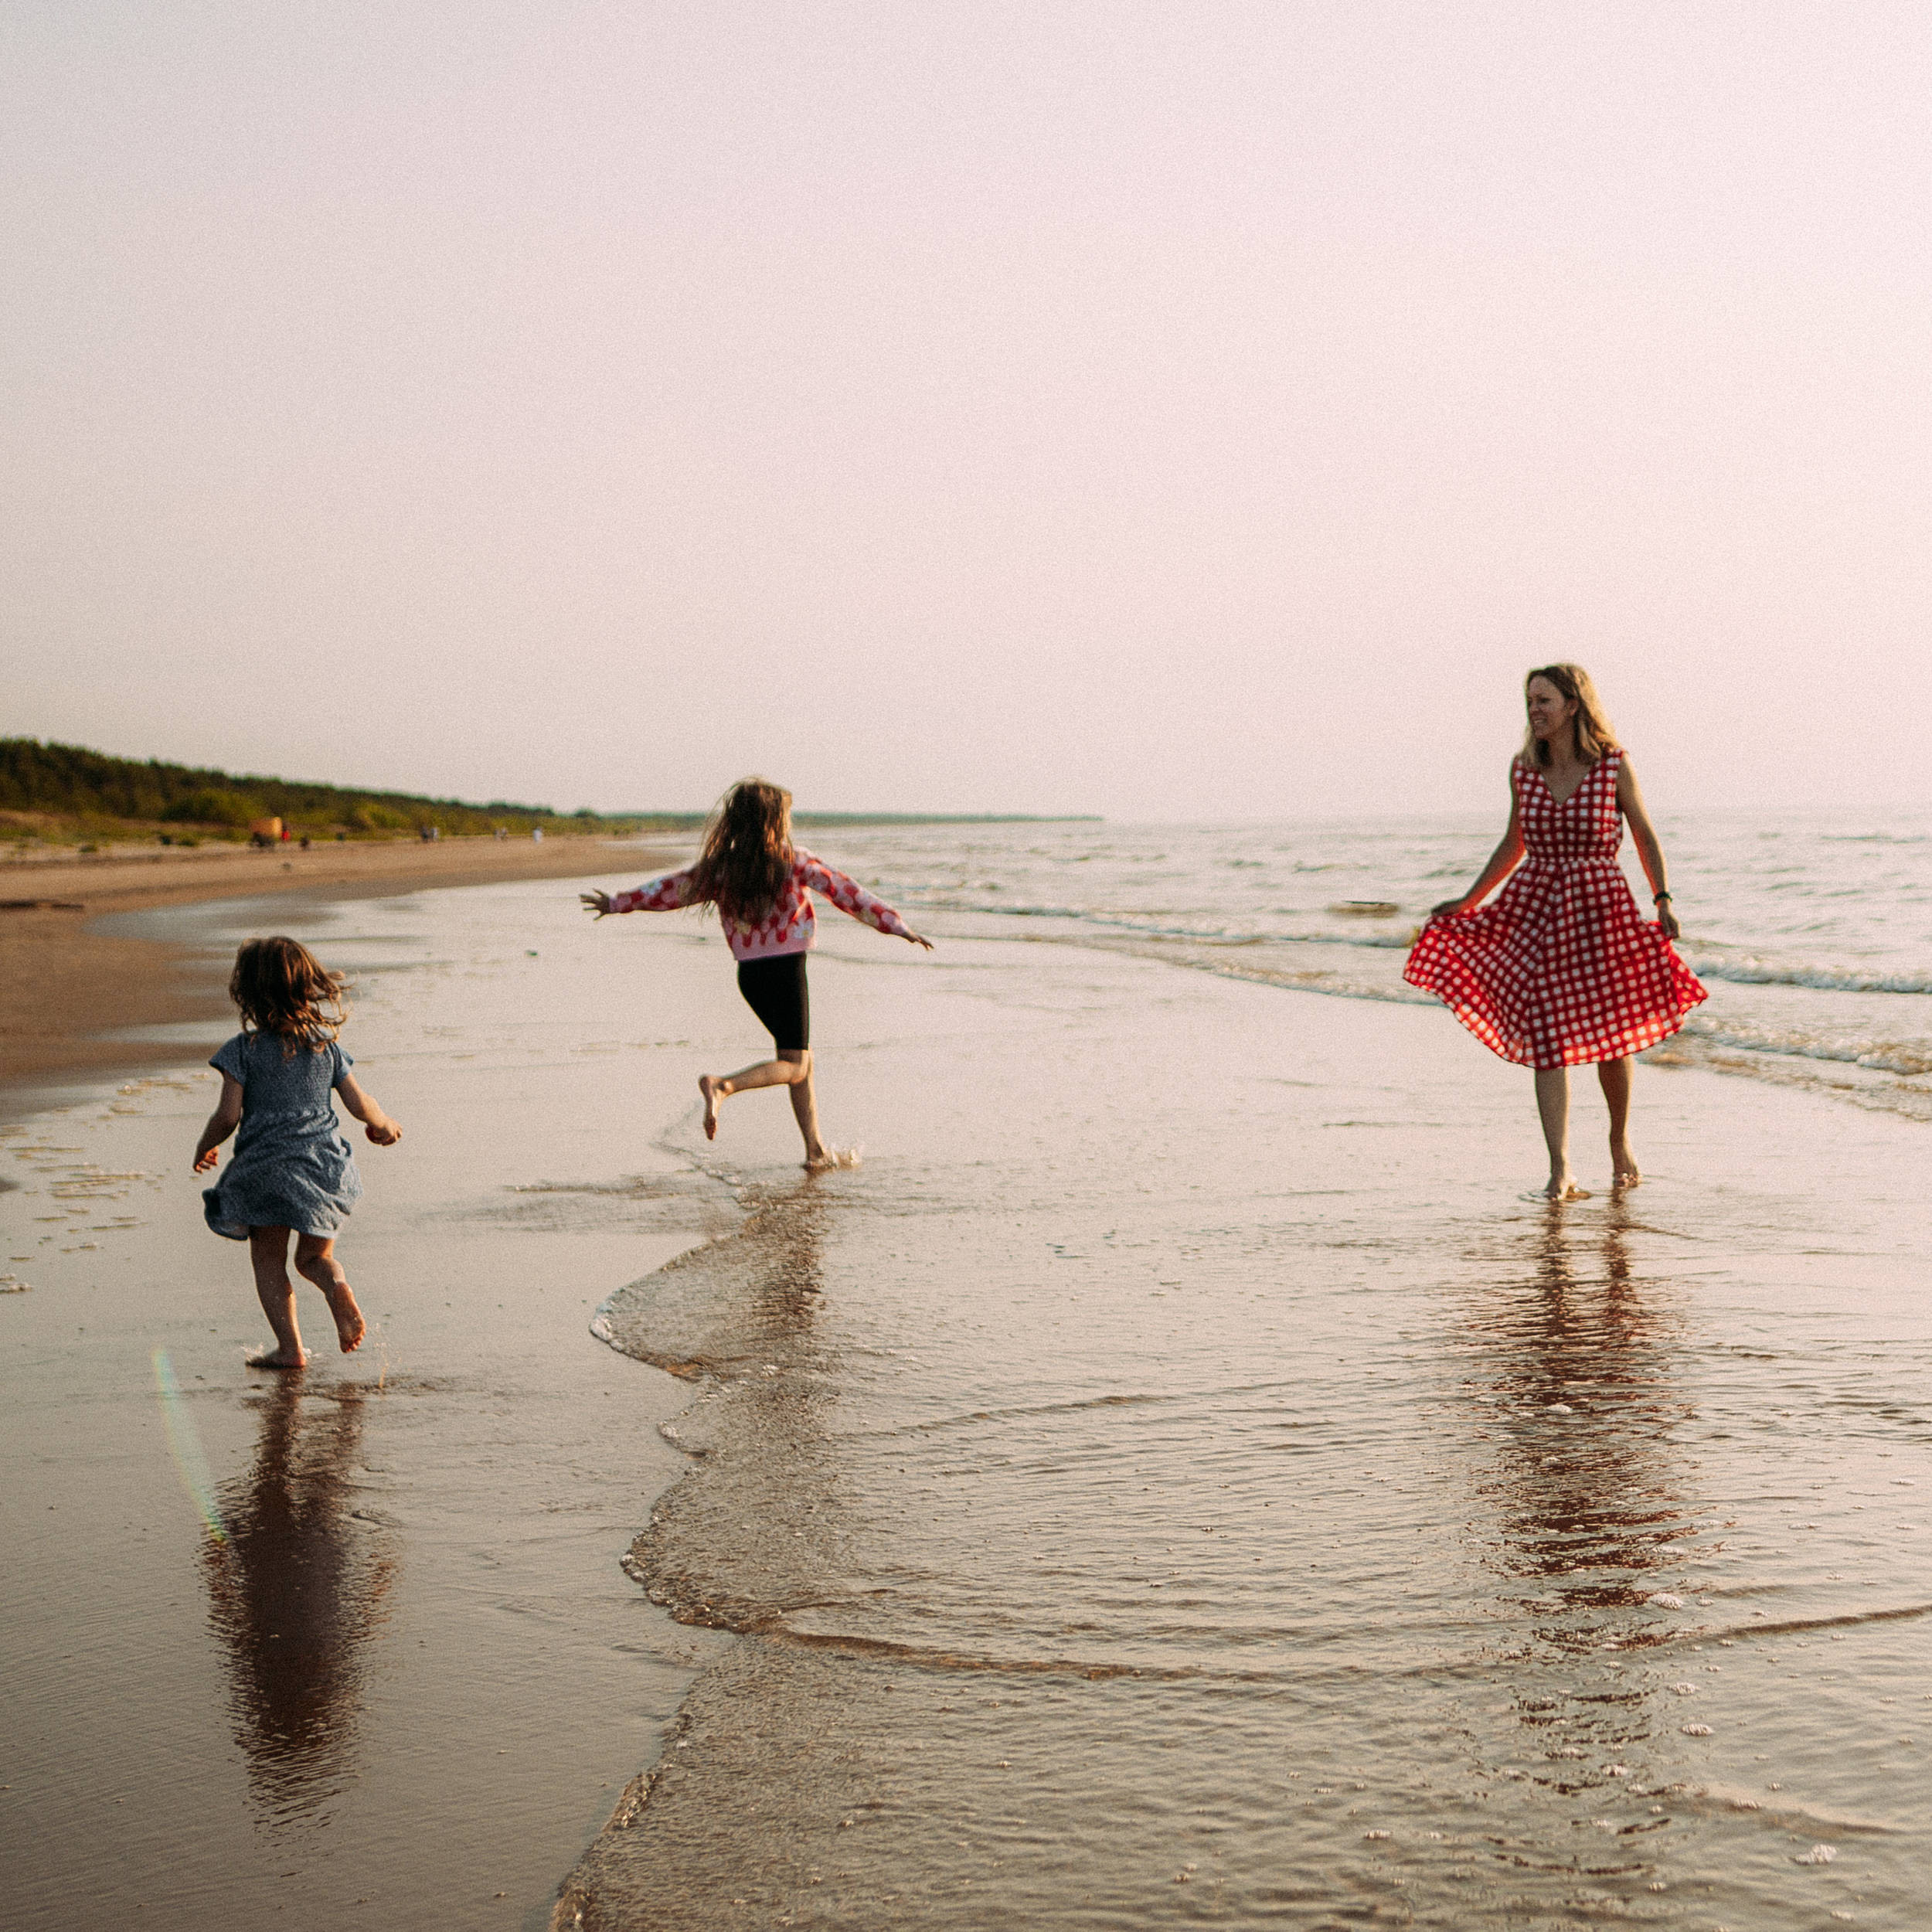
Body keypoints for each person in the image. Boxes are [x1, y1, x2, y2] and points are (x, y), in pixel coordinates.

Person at [1403, 664, 1705, 1199]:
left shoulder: (1612, 765)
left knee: (1614, 1034)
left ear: (1573, 705)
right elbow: (1513, 844)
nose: (1534, 710)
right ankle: (1560, 1167)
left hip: (1601, 909)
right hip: (1538, 909)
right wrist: (1469, 901)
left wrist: (1662, 900)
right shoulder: (1524, 769)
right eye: (1529, 702)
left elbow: (1644, 835)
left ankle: (1618, 1140)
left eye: (1543, 700)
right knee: (1548, 1038)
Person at [582, 778, 933, 1168]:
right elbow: (846, 892)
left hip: (750, 977)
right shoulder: (793, 861)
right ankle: (723, 1085)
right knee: (796, 1065)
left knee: (800, 1061)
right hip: (786, 971)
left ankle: (814, 1151)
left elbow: (670, 890)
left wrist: (618, 903)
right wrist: (897, 926)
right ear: (772, 822)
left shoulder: (722, 869)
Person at [194, 937, 403, 1366]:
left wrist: (206, 1144)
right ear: (308, 986)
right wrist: (383, 1125)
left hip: (267, 1171)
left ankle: (290, 1350)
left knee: (269, 1261)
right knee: (314, 1258)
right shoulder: (324, 1047)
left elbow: (228, 1115)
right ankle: (336, 1287)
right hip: (323, 1167)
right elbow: (360, 1104)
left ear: (247, 991)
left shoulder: (243, 1050)